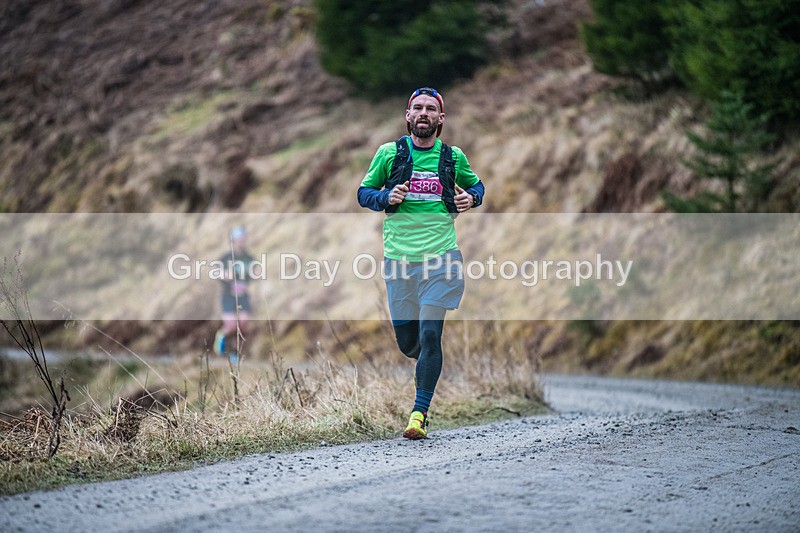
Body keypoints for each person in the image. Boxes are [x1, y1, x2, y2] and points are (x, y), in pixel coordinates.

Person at [357, 87, 485, 439]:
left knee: (431, 334)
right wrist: (385, 196)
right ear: (408, 115)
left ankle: (418, 414)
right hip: (399, 261)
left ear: (441, 119)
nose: (424, 113)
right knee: (409, 344)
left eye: (431, 109)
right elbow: (363, 193)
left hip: (442, 259)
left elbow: (478, 187)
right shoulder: (390, 153)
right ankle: (427, 365)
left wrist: (470, 198)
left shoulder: (452, 157)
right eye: (418, 108)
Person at [213, 226, 256, 363]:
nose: (241, 242)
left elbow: (255, 273)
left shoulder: (249, 258)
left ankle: (236, 353)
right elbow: (216, 272)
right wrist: (224, 275)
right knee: (231, 326)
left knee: (242, 324)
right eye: (238, 240)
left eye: (243, 239)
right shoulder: (225, 258)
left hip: (243, 295)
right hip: (229, 295)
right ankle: (220, 339)